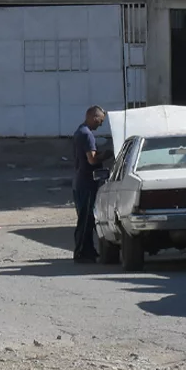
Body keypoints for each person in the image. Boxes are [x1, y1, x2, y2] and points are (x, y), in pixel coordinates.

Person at [72, 106, 109, 264]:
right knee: (86, 220)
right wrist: (107, 155)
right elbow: (92, 159)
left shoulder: (79, 132)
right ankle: (82, 252)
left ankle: (88, 250)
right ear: (94, 117)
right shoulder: (87, 135)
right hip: (87, 182)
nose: (100, 124)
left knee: (86, 219)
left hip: (81, 181)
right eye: (100, 121)